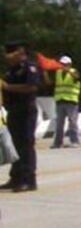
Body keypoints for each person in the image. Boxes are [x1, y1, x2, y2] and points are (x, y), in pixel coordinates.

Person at [2, 42, 43, 192]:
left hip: (26, 110)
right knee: (14, 144)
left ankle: (29, 180)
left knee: (26, 145)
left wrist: (8, 87)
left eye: (10, 54)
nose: (7, 57)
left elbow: (32, 87)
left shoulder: (30, 67)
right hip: (13, 110)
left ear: (19, 52)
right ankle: (16, 177)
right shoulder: (12, 69)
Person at [51, 55, 81, 149]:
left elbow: (77, 78)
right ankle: (57, 143)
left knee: (72, 122)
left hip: (71, 100)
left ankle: (75, 141)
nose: (62, 66)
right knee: (59, 123)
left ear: (69, 64)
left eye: (65, 64)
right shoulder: (58, 73)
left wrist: (68, 70)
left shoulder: (74, 72)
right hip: (60, 100)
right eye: (61, 64)